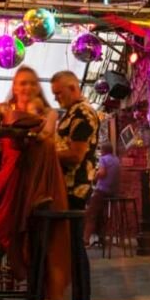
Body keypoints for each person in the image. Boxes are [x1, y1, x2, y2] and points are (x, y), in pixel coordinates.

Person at [0, 66, 71, 300]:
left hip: (41, 178)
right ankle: (14, 287)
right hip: (12, 178)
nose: (27, 87)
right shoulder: (5, 109)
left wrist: (33, 122)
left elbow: (46, 134)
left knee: (47, 232)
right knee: (2, 224)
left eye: (31, 83)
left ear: (38, 88)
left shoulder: (48, 113)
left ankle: (45, 294)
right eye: (22, 83)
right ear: (14, 87)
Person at [51, 71, 99, 209]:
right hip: (66, 188)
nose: (55, 98)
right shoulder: (73, 112)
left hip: (73, 189)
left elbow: (76, 155)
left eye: (58, 93)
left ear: (72, 88)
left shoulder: (82, 113)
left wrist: (46, 154)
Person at [83, 142, 121, 246]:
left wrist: (94, 177)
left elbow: (102, 173)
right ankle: (101, 236)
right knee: (101, 213)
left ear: (103, 150)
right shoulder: (116, 159)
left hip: (102, 190)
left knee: (91, 213)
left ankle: (85, 239)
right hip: (113, 192)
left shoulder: (103, 159)